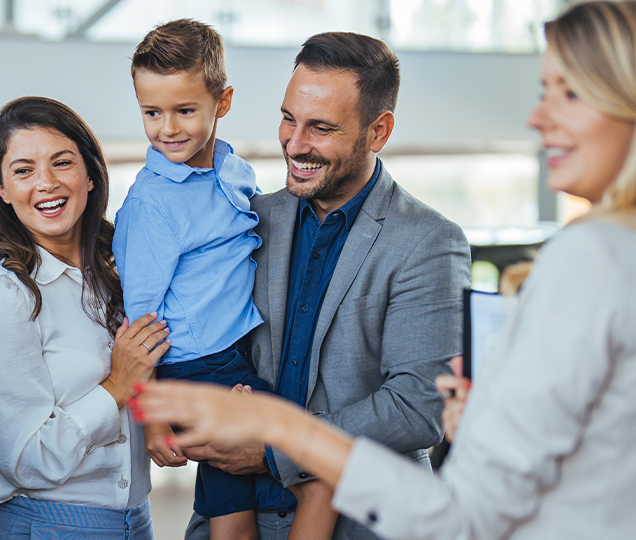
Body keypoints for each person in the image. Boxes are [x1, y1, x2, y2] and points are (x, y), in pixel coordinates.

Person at [131, 2, 636, 538]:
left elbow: (464, 516)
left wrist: (279, 432)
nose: (538, 117)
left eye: (567, 93)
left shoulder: (592, 255)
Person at [175, 31, 471, 540]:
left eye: (321, 128)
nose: (294, 143)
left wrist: (276, 448)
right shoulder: (248, 221)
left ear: (378, 131)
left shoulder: (429, 242)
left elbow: (419, 405)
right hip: (232, 514)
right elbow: (201, 334)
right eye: (289, 118)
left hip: (362, 523)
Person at [115, 19, 337, 540]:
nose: (167, 128)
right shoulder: (151, 204)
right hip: (195, 366)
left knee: (239, 505)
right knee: (318, 469)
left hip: (238, 355)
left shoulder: (234, 171)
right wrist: (150, 416)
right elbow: (139, 319)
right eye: (152, 112)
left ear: (223, 101)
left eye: (185, 110)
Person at [0, 96, 169, 540]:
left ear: (91, 175)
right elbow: (24, 459)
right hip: (49, 526)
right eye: (23, 170)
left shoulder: (123, 272)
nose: (47, 183)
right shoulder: (8, 298)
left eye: (62, 163)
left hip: (137, 522)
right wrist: (116, 385)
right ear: (1, 188)